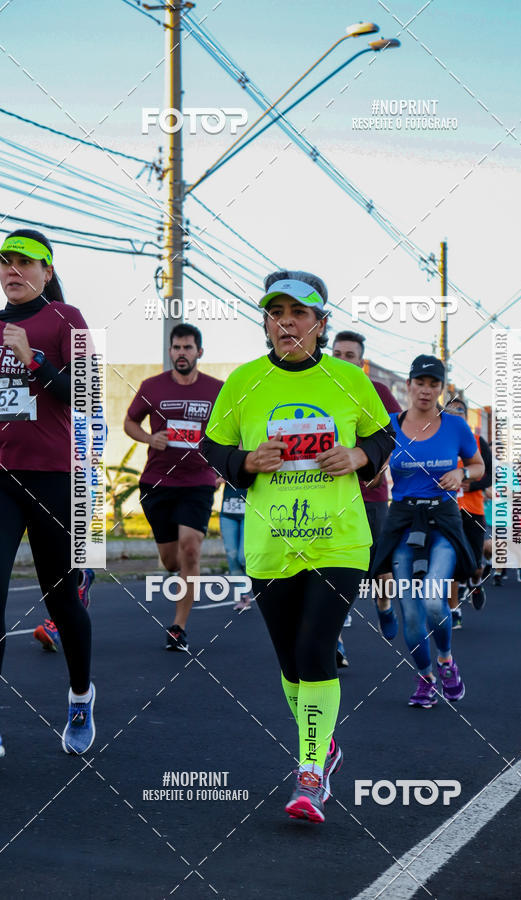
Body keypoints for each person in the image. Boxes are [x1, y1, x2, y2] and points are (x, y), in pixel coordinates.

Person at [203, 270, 395, 822]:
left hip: (338, 538)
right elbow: (214, 446)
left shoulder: (349, 381)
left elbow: (383, 434)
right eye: (276, 311)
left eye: (299, 312)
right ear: (266, 321)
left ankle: (310, 775)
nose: (286, 321)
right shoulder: (243, 382)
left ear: (321, 323)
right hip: (271, 542)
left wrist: (360, 457)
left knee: (315, 649)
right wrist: (245, 462)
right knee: (290, 661)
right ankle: (325, 743)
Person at [0, 229, 95, 756]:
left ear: (47, 271)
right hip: (2, 479)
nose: (13, 271)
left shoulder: (66, 319)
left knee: (61, 599)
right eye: (6, 262)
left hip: (55, 479)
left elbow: (86, 393)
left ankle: (80, 696)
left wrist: (34, 360)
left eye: (25, 263)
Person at [372, 355, 484, 709]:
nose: (425, 390)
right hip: (404, 520)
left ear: (441, 389)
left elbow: (478, 465)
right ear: (408, 385)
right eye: (419, 383)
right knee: (412, 618)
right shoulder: (389, 426)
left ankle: (447, 661)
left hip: (444, 519)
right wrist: (371, 474)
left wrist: (462, 475)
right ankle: (425, 678)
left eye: (433, 384)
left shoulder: (456, 427)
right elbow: (371, 468)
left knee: (436, 601)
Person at [125, 324, 222, 651]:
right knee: (170, 560)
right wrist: (150, 438)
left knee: (191, 549)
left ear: (200, 352)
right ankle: (178, 571)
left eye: (188, 348)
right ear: (170, 352)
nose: (182, 353)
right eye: (177, 348)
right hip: (157, 481)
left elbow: (231, 432)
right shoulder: (152, 387)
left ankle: (178, 627)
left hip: (198, 482)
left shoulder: (217, 390)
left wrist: (223, 468)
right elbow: (129, 422)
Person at [331, 330, 402, 663]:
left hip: (372, 495)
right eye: (337, 354)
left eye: (349, 355)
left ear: (361, 362)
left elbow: (389, 438)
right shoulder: (320, 390)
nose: (342, 359)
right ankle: (336, 643)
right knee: (332, 570)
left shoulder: (378, 392)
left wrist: (375, 470)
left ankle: (384, 606)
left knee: (381, 572)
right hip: (330, 495)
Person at [445, 397, 492, 628]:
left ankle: (476, 581)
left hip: (474, 509)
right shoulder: (438, 439)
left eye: (459, 411)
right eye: (449, 410)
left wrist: (470, 484)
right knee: (451, 563)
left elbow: (491, 475)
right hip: (448, 511)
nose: (454, 414)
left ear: (465, 416)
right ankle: (454, 611)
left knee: (474, 565)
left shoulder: (477, 441)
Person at [218, 478, 251, 610]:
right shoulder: (224, 460)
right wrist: (217, 480)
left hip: (249, 512)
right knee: (232, 556)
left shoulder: (252, 457)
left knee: (243, 557)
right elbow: (212, 484)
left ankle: (258, 577)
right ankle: (244, 596)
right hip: (228, 513)